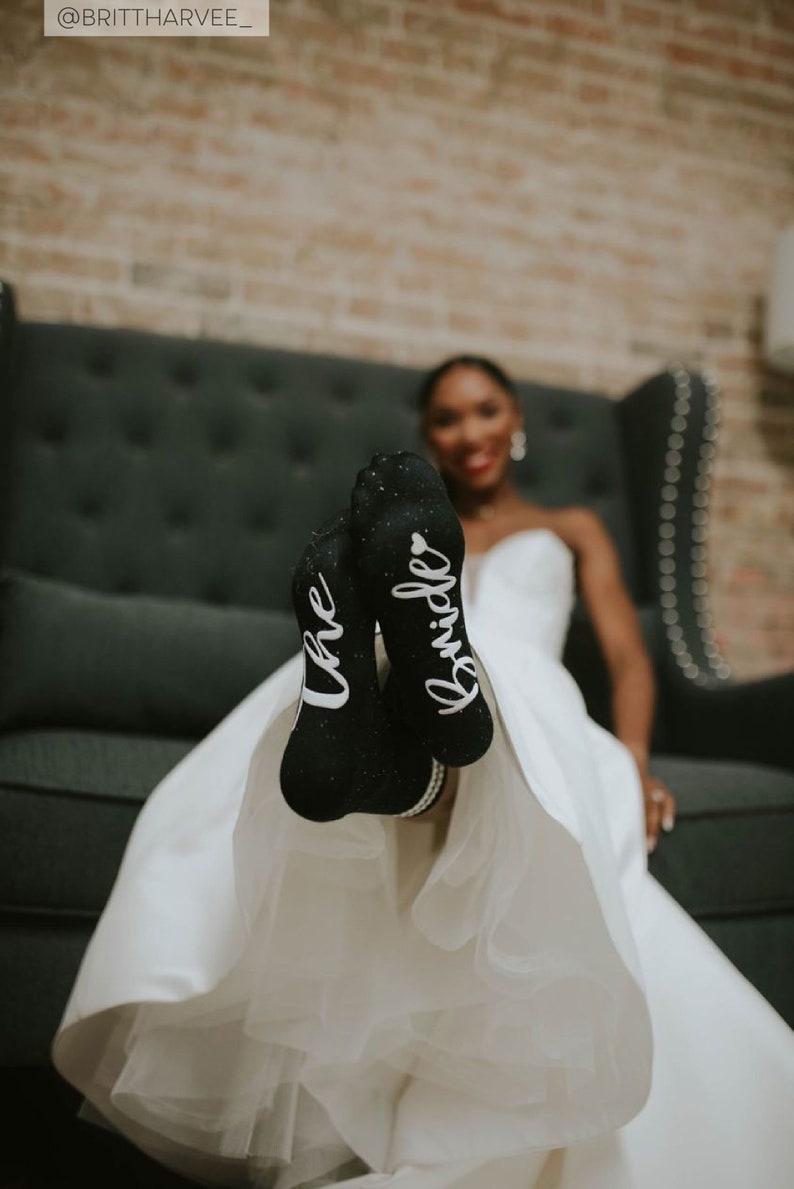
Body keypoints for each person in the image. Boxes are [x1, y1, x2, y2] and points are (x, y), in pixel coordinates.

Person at [53, 356, 794, 1189]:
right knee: (396, 683)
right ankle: (397, 697)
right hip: (390, 679)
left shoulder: (572, 525)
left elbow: (627, 655)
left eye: (483, 411)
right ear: (427, 436)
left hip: (523, 688)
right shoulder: (396, 521)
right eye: (446, 418)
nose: (468, 432)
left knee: (509, 702)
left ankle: (412, 741)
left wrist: (633, 756)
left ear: (515, 420)